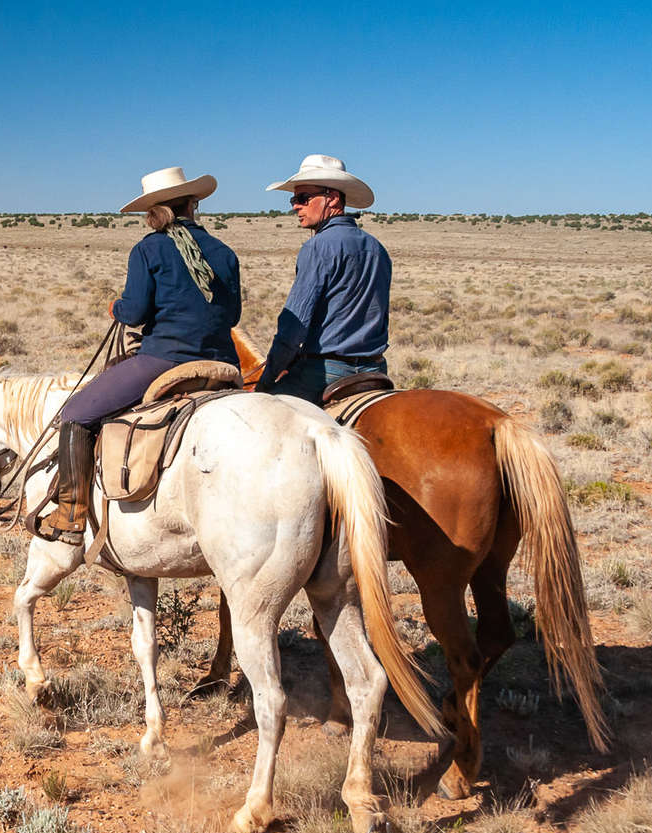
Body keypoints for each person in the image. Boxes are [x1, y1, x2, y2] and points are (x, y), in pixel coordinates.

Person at [40, 167, 242, 544]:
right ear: (192, 203)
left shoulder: (149, 249)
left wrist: (116, 307)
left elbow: (134, 314)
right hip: (223, 364)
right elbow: (233, 317)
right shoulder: (225, 253)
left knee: (76, 415)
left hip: (164, 359)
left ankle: (70, 514)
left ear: (153, 210)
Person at [254, 154, 391, 404]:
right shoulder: (377, 248)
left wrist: (268, 377)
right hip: (375, 371)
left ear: (333, 198)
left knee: (257, 415)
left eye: (304, 198)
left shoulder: (318, 247)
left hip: (325, 372)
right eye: (294, 199)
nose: (296, 206)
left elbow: (294, 325)